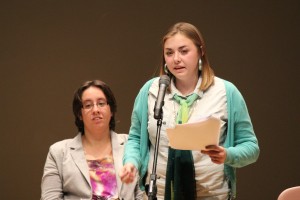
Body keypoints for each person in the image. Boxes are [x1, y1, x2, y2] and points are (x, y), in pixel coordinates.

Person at [119, 22, 260, 200]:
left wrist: (227, 155)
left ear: (201, 51)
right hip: (160, 194)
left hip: (213, 194)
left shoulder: (226, 92)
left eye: (184, 51)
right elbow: (136, 139)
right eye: (169, 53)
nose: (176, 59)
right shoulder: (151, 90)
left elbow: (251, 147)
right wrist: (131, 162)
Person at [41, 80, 143, 200]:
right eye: (88, 105)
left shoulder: (131, 144)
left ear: (111, 110)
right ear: (80, 114)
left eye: (101, 103)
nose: (95, 110)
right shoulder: (58, 152)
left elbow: (141, 194)